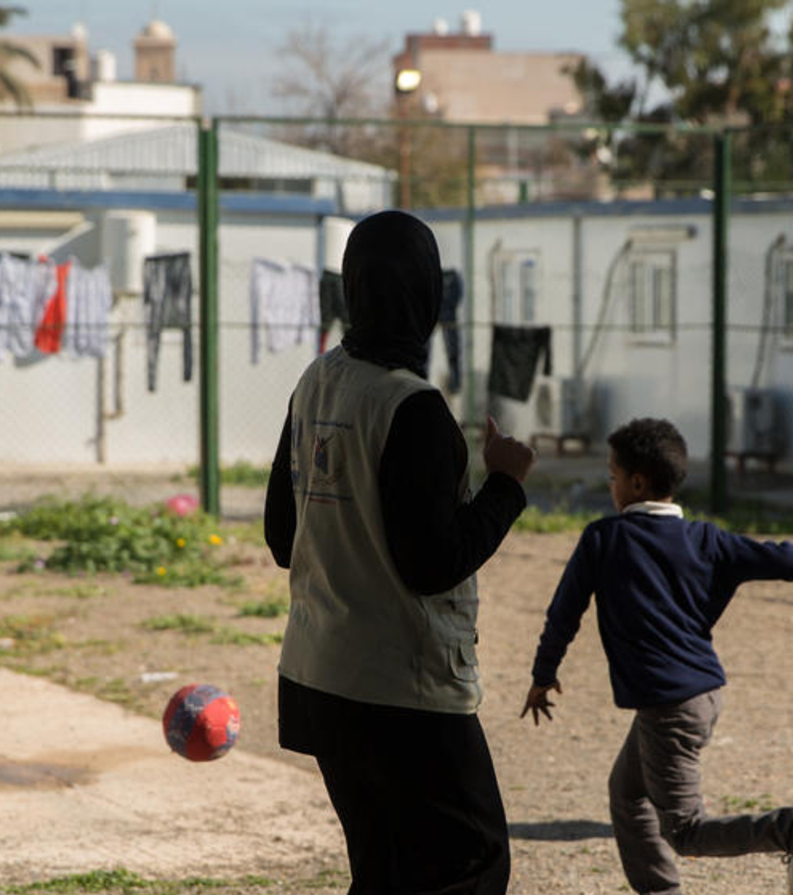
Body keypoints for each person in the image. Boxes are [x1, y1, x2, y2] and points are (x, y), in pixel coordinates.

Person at [264, 210, 535, 894]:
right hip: (399, 690)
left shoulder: (316, 381)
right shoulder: (412, 407)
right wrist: (506, 485)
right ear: (426, 294)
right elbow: (432, 564)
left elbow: (280, 537)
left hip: (318, 678)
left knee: (384, 870)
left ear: (354, 288)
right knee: (472, 861)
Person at [522, 418, 793, 895]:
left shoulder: (604, 538)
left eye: (613, 476)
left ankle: (792, 827)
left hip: (669, 706)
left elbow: (564, 612)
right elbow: (790, 561)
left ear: (637, 483)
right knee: (626, 793)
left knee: (685, 830)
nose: (610, 485)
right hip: (699, 694)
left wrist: (543, 673)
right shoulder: (707, 540)